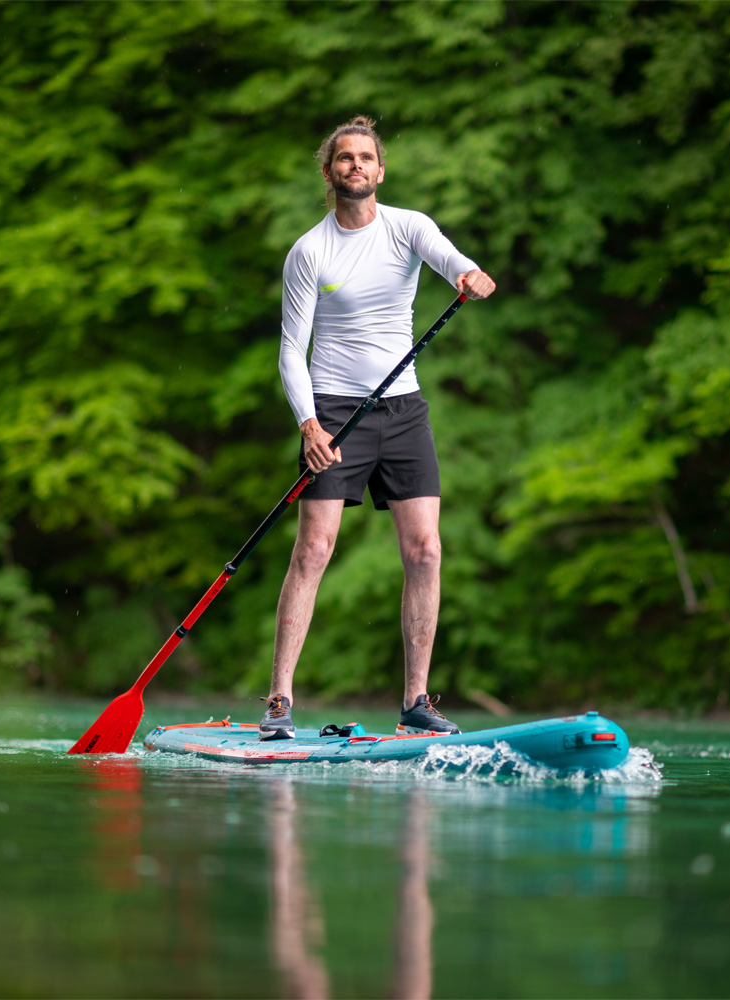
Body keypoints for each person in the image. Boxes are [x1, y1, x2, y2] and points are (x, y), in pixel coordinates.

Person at [260, 115, 496, 741]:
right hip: (335, 412)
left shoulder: (408, 227)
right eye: (345, 159)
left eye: (366, 157)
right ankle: (280, 700)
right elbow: (292, 348)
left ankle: (416, 700)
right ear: (330, 172)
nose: (356, 166)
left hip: (403, 410)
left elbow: (452, 261)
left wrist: (471, 275)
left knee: (426, 549)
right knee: (314, 549)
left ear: (380, 170)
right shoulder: (310, 251)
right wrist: (308, 424)